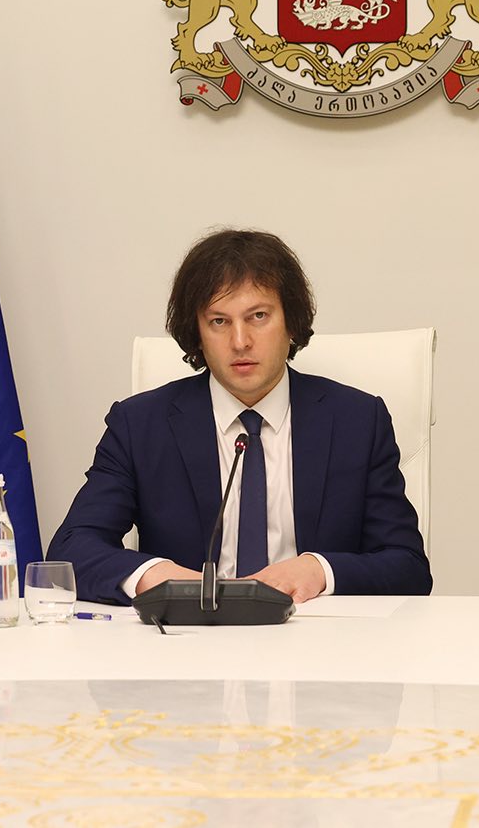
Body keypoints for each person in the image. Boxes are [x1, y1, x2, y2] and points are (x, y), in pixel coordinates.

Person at [48, 229, 432, 606]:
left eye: (258, 316)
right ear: (197, 333)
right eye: (219, 321)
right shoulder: (140, 425)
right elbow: (71, 549)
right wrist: (157, 575)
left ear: (291, 322)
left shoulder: (357, 422)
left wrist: (319, 570)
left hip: (315, 631)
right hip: (188, 634)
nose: (240, 342)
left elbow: (407, 566)